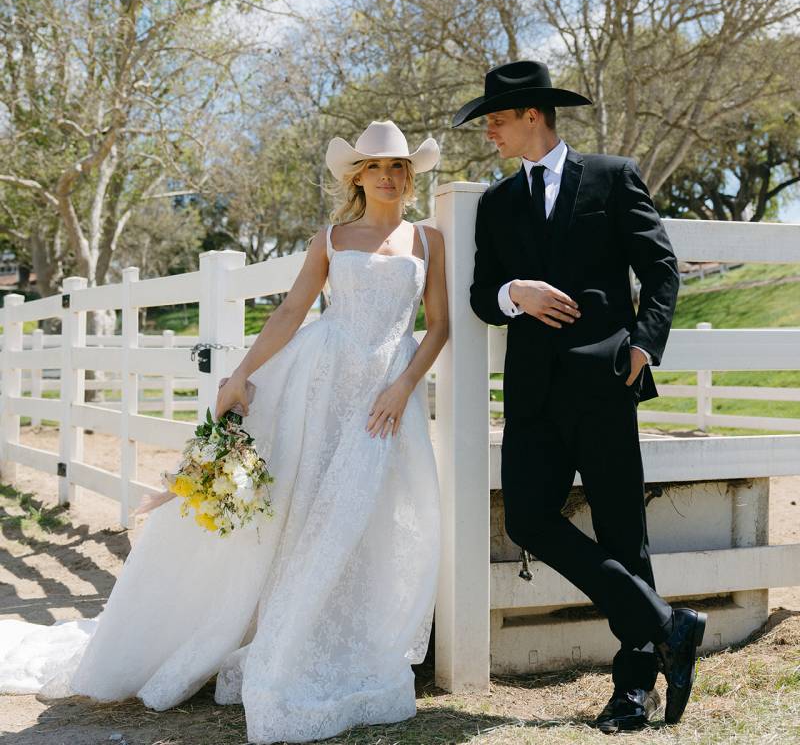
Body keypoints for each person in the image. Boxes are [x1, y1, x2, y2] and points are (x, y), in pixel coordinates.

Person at [0, 120, 447, 745]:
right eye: (377, 167)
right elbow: (290, 312)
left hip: (384, 394)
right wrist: (241, 374)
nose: (390, 177)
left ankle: (349, 641)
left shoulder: (428, 240)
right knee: (306, 509)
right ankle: (285, 638)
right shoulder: (330, 238)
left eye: (399, 166)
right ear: (358, 177)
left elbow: (438, 325)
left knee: (367, 511)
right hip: (321, 387)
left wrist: (403, 386)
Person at [452, 61, 705, 734]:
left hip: (605, 383)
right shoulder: (496, 204)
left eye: (496, 120)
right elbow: (481, 296)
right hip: (532, 395)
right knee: (529, 519)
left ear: (533, 115)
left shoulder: (613, 177)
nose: (490, 133)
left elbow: (661, 269)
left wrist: (644, 345)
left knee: (624, 533)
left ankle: (634, 688)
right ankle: (667, 623)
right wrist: (515, 293)